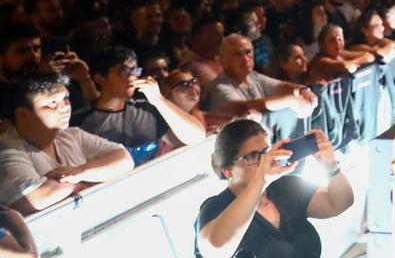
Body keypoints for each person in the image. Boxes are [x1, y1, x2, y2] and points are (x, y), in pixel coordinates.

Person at [195, 119, 353, 258]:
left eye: (266, 152)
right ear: (228, 170)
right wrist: (262, 179)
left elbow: (339, 202)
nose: (263, 161)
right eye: (252, 156)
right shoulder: (215, 207)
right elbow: (215, 246)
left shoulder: (285, 187)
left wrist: (330, 165)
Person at [0, 73, 134, 213]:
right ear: (22, 114)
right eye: (52, 103)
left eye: (65, 98)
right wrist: (79, 184)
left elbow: (124, 159)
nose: (65, 107)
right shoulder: (6, 150)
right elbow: (33, 199)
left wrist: (79, 172)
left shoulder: (72, 135)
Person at [73, 46, 205, 162]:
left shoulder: (147, 110)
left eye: (135, 71)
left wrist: (158, 99)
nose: (132, 77)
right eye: (123, 71)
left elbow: (196, 137)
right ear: (100, 78)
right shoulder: (80, 121)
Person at [202, 35, 318, 119]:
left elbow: (281, 86)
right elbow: (242, 107)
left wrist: (302, 90)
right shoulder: (218, 87)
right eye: (237, 55)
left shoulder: (253, 76)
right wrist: (290, 100)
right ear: (222, 60)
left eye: (248, 52)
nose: (245, 59)